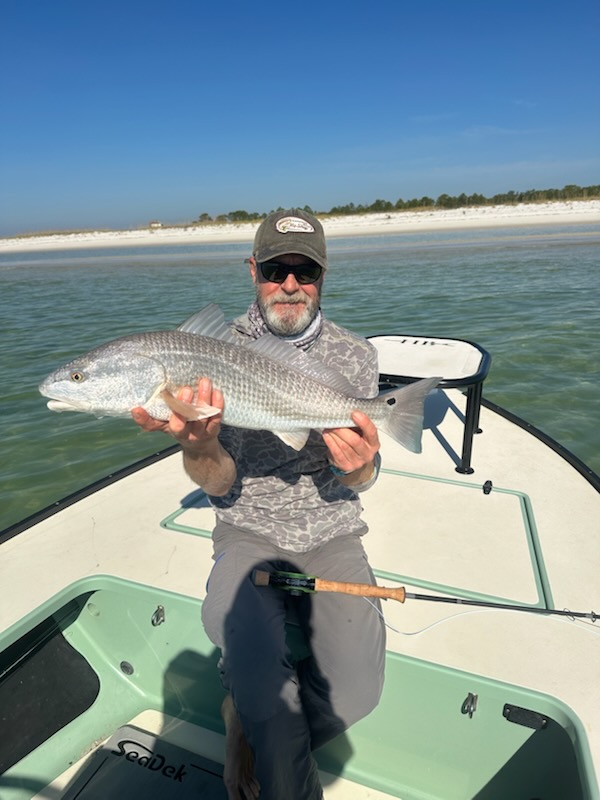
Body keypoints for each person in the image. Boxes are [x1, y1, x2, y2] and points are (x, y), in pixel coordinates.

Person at [132, 209, 386, 800]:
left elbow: (362, 480)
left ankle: (248, 718)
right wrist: (200, 444)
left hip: (331, 529)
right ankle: (254, 727)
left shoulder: (355, 356)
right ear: (253, 270)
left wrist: (364, 465)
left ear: (323, 275)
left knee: (357, 693)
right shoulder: (207, 351)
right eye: (276, 269)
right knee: (263, 695)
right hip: (248, 528)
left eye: (305, 270)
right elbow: (218, 485)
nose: (290, 285)